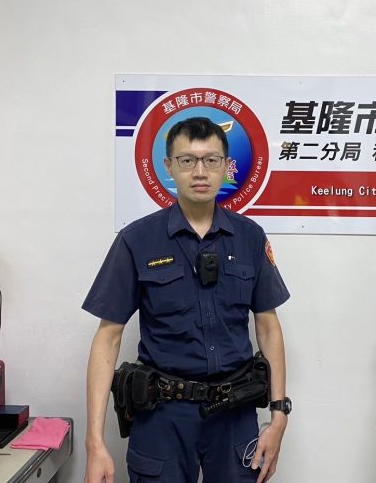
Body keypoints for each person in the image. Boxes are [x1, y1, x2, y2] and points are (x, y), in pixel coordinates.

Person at [83, 117, 291, 483]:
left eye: (211, 160)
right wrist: (94, 442)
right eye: (187, 160)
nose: (200, 171)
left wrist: (278, 415)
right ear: (169, 166)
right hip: (162, 417)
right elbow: (108, 336)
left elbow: (268, 327)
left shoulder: (249, 237)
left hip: (234, 413)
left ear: (227, 166)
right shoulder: (137, 240)